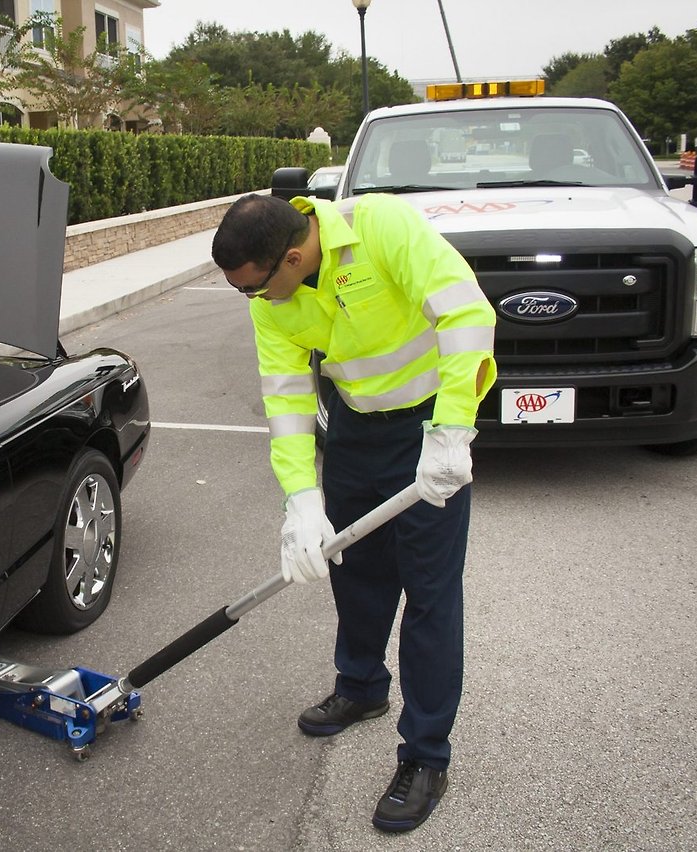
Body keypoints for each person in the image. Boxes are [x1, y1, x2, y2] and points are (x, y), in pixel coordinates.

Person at [211, 191, 496, 833]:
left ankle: (425, 756)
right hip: (354, 432)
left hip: (427, 425)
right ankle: (362, 686)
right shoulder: (272, 299)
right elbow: (284, 396)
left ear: (291, 256)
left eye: (256, 289)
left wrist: (452, 430)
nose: (253, 302)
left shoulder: (380, 228)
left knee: (428, 592)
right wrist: (301, 499)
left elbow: (466, 315)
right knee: (357, 571)